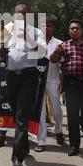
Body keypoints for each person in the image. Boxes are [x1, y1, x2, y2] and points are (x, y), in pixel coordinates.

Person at [0, 3, 46, 166]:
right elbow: (1, 54)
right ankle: (24, 147)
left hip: (28, 77)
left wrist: (26, 36)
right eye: (17, 13)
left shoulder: (35, 32)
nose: (20, 16)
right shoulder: (8, 32)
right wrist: (2, 50)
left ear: (28, 16)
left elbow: (41, 52)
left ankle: (17, 158)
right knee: (16, 114)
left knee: (21, 116)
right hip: (11, 76)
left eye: (23, 14)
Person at [50, 19, 83, 156]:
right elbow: (53, 60)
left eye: (77, 28)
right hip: (71, 84)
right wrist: (56, 52)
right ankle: (74, 145)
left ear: (82, 30)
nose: (74, 31)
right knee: (72, 116)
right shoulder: (63, 45)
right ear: (69, 31)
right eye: (71, 29)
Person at [34, 19, 64, 152]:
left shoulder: (59, 43)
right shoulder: (34, 43)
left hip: (53, 80)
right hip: (38, 82)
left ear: (53, 28)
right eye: (43, 26)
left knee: (56, 110)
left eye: (49, 26)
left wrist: (62, 81)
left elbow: (62, 65)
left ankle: (58, 130)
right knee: (40, 112)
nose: (46, 28)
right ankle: (41, 140)